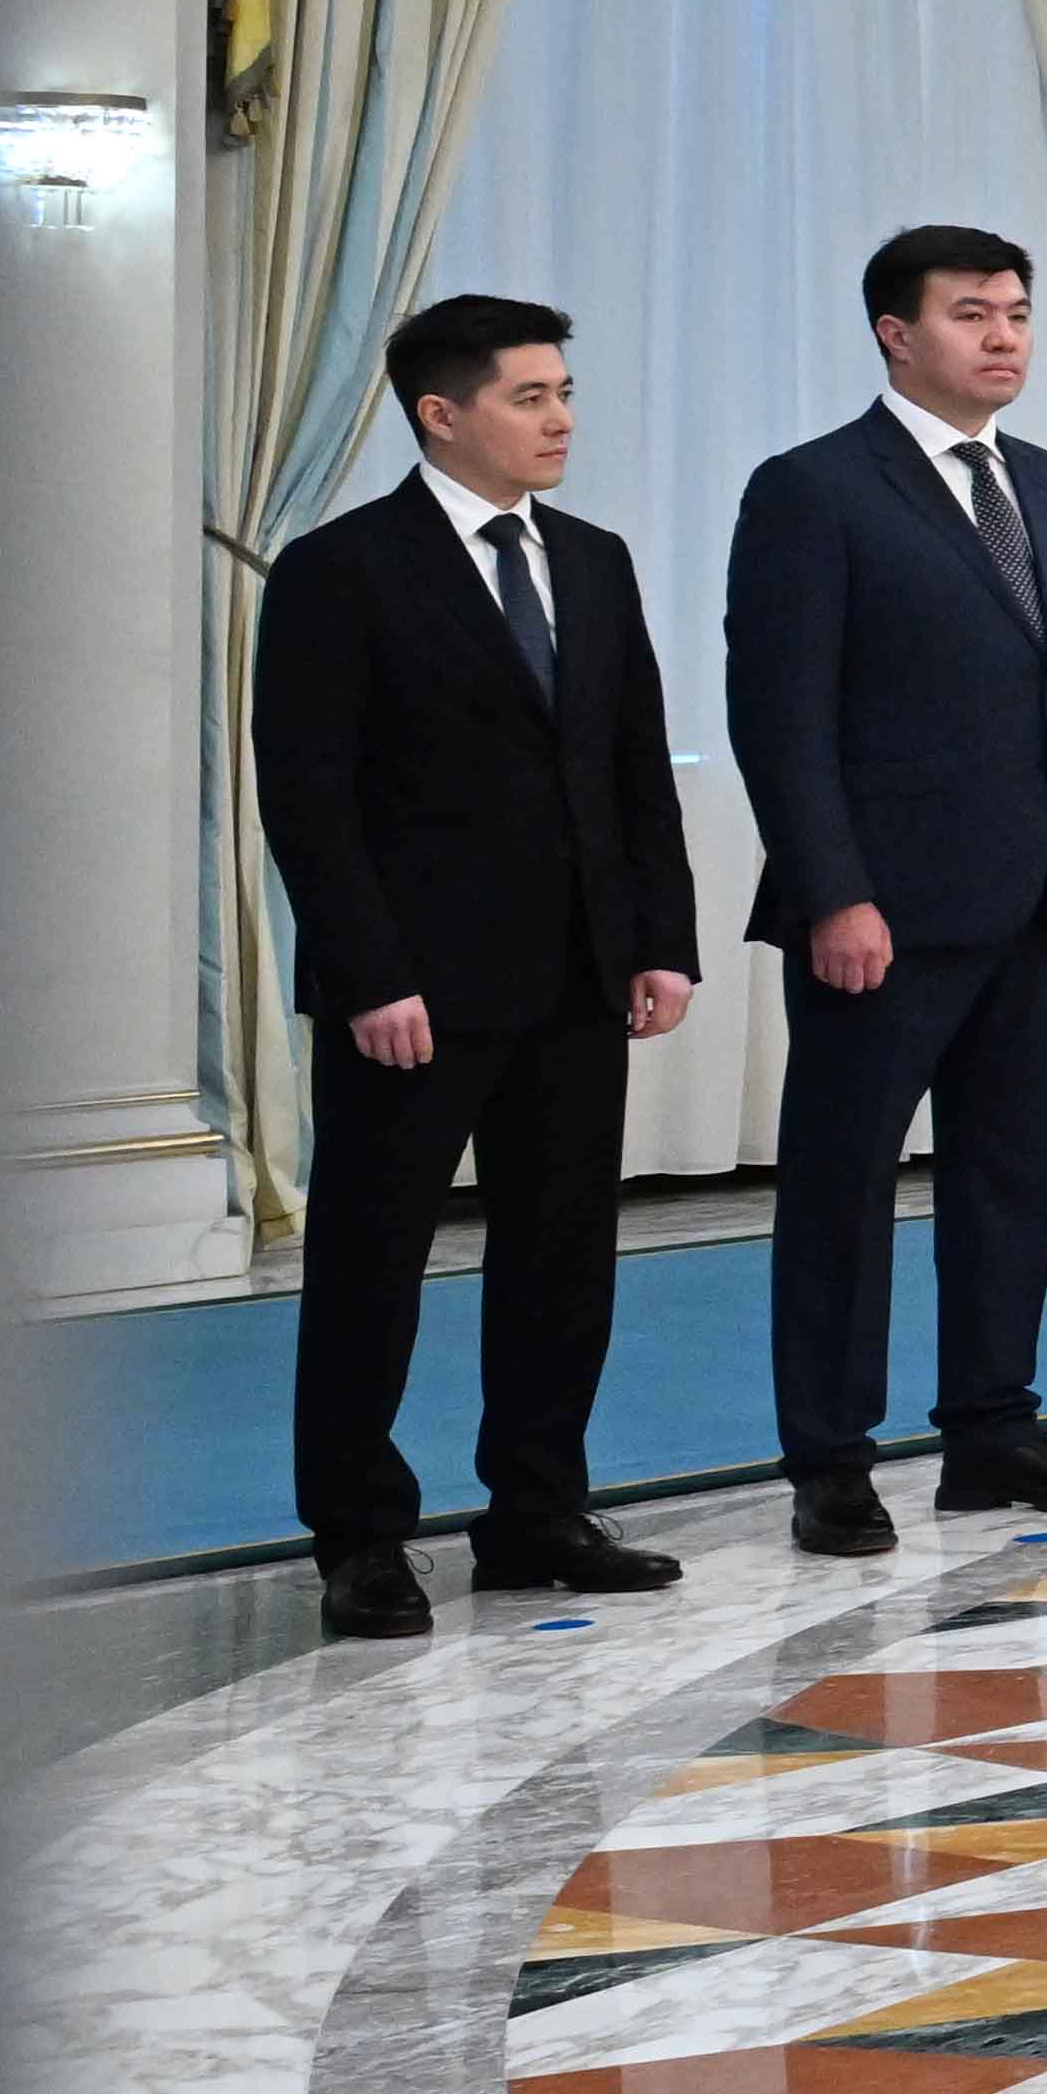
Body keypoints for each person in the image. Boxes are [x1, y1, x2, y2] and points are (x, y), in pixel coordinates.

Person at [251, 295, 704, 1635]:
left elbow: (633, 766)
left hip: (577, 974)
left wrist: (660, 940)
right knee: (372, 1261)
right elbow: (308, 793)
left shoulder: (594, 558)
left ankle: (537, 1509)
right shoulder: (342, 567)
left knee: (563, 1256)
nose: (560, 418)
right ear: (442, 413)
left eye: (565, 391)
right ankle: (359, 1535)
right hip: (413, 989)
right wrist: (367, 971)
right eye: (529, 395)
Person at [725, 222, 1047, 1555]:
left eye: (1016, 312)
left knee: (1012, 1178)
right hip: (883, 913)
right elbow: (780, 716)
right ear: (895, 333)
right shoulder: (814, 489)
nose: (1003, 335)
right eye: (972, 313)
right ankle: (831, 1458)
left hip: (1044, 901)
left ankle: (993, 1428)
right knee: (844, 1189)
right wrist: (832, 891)